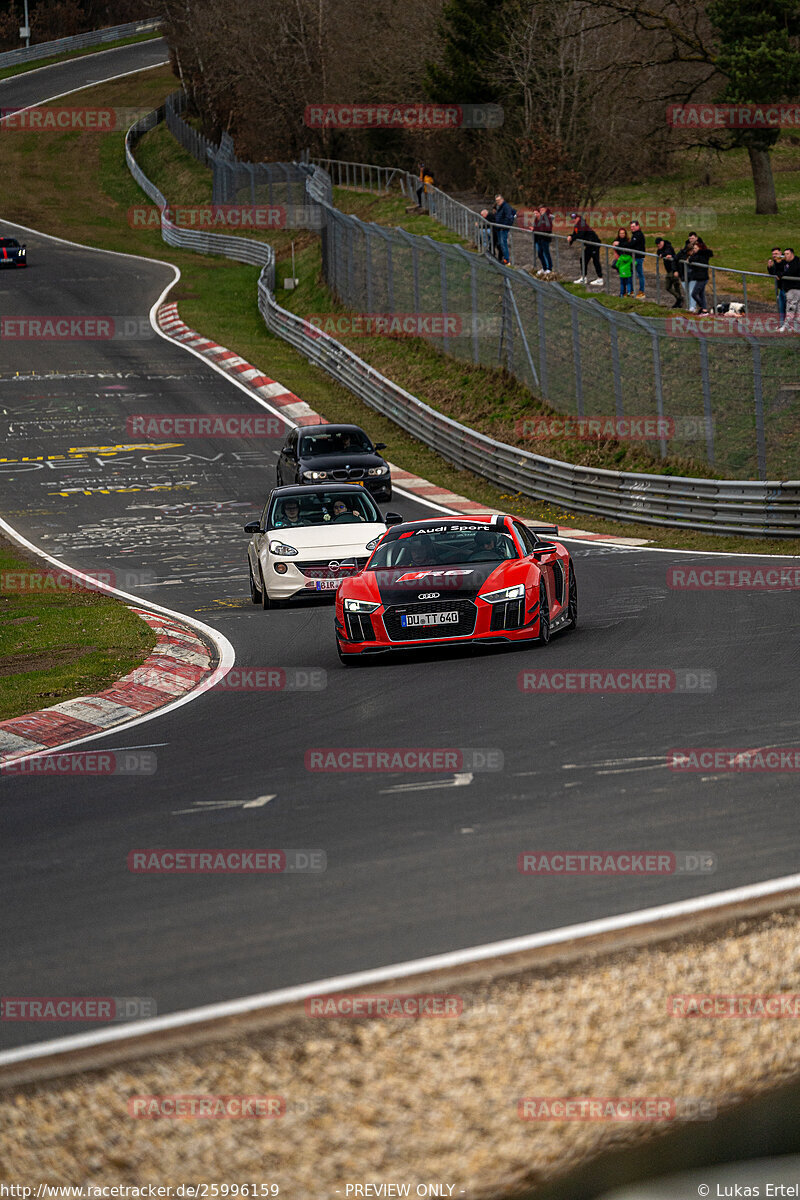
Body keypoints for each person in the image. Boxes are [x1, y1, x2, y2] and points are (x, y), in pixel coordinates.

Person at [567, 213, 604, 286]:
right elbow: (575, 234)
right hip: (588, 245)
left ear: (578, 218)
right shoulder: (577, 225)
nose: (573, 220)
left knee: (595, 260)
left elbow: (580, 235)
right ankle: (584, 277)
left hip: (594, 244)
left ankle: (600, 278)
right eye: (572, 219)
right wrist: (570, 237)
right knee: (583, 259)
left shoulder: (582, 224)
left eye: (574, 218)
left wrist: (572, 238)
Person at [686, 238, 713, 315]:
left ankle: (704, 309)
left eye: (695, 248)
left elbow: (692, 259)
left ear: (699, 248)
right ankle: (703, 309)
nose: (694, 250)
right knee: (701, 294)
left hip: (702, 278)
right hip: (699, 277)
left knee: (694, 294)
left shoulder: (701, 255)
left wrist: (691, 258)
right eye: (693, 248)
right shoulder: (697, 255)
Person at [654, 236, 683, 307]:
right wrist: (662, 254)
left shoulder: (668, 247)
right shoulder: (662, 248)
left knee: (674, 286)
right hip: (669, 270)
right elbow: (659, 252)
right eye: (657, 244)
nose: (658, 245)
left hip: (674, 269)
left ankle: (679, 300)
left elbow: (668, 253)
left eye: (659, 243)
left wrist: (663, 254)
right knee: (669, 287)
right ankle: (679, 299)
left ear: (662, 242)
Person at [675, 232, 698, 310]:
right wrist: (676, 270)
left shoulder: (699, 249)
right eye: (690, 238)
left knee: (692, 291)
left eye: (692, 238)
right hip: (683, 275)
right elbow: (676, 258)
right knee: (687, 291)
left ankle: (693, 307)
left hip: (693, 276)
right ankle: (689, 306)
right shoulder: (683, 253)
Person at [780, 247, 800, 331]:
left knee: (791, 307)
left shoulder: (797, 262)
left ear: (792, 254)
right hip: (789, 289)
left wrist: (781, 274)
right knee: (796, 308)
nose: (785, 256)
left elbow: (790, 272)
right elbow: (776, 271)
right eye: (784, 254)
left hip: (795, 289)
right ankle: (795, 327)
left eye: (787, 254)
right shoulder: (785, 262)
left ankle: (787, 326)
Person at [493, 194, 517, 265]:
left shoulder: (506, 207)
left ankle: (507, 260)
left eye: (499, 200)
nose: (498, 202)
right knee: (500, 243)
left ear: (502, 199)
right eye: (496, 201)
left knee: (503, 243)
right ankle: (504, 258)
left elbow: (509, 217)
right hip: (499, 228)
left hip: (503, 228)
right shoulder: (499, 207)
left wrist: (504, 226)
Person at [767, 246, 787, 321]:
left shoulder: (785, 261)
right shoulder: (775, 261)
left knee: (789, 309)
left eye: (776, 253)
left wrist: (779, 274)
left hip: (789, 289)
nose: (774, 255)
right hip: (781, 288)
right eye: (773, 254)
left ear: (780, 253)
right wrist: (770, 267)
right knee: (781, 308)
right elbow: (774, 273)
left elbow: (784, 272)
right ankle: (782, 324)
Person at [533, 204, 553, 274]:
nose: (541, 211)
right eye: (540, 210)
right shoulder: (540, 218)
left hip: (545, 238)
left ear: (546, 209)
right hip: (539, 238)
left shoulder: (548, 217)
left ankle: (549, 268)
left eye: (542, 210)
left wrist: (539, 230)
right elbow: (537, 227)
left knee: (546, 253)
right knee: (540, 253)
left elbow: (548, 228)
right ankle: (544, 267)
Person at [629, 219, 646, 297]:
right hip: (634, 257)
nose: (632, 228)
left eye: (633, 226)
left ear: (638, 226)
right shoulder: (634, 234)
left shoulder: (638, 234)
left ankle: (641, 291)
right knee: (632, 273)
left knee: (640, 274)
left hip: (638, 257)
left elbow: (632, 244)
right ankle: (631, 291)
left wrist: (621, 244)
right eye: (631, 226)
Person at [613, 229, 633, 296]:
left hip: (621, 263)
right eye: (621, 233)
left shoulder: (628, 241)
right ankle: (626, 292)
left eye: (623, 233)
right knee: (626, 281)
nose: (622, 234)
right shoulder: (616, 241)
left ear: (625, 234)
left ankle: (624, 293)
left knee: (626, 280)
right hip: (623, 263)